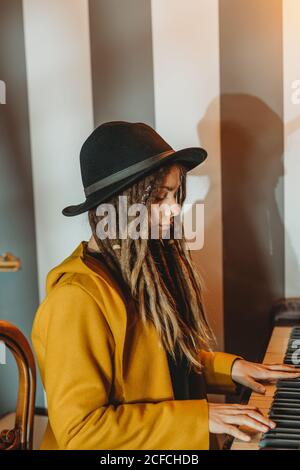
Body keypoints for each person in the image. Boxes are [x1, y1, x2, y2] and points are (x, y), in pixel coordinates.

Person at [31, 121, 300, 450]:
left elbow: (162, 363)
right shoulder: (75, 299)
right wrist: (201, 417)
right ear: (117, 206)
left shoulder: (142, 272)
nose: (175, 209)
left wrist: (232, 369)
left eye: (175, 195)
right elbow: (81, 433)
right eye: (159, 198)